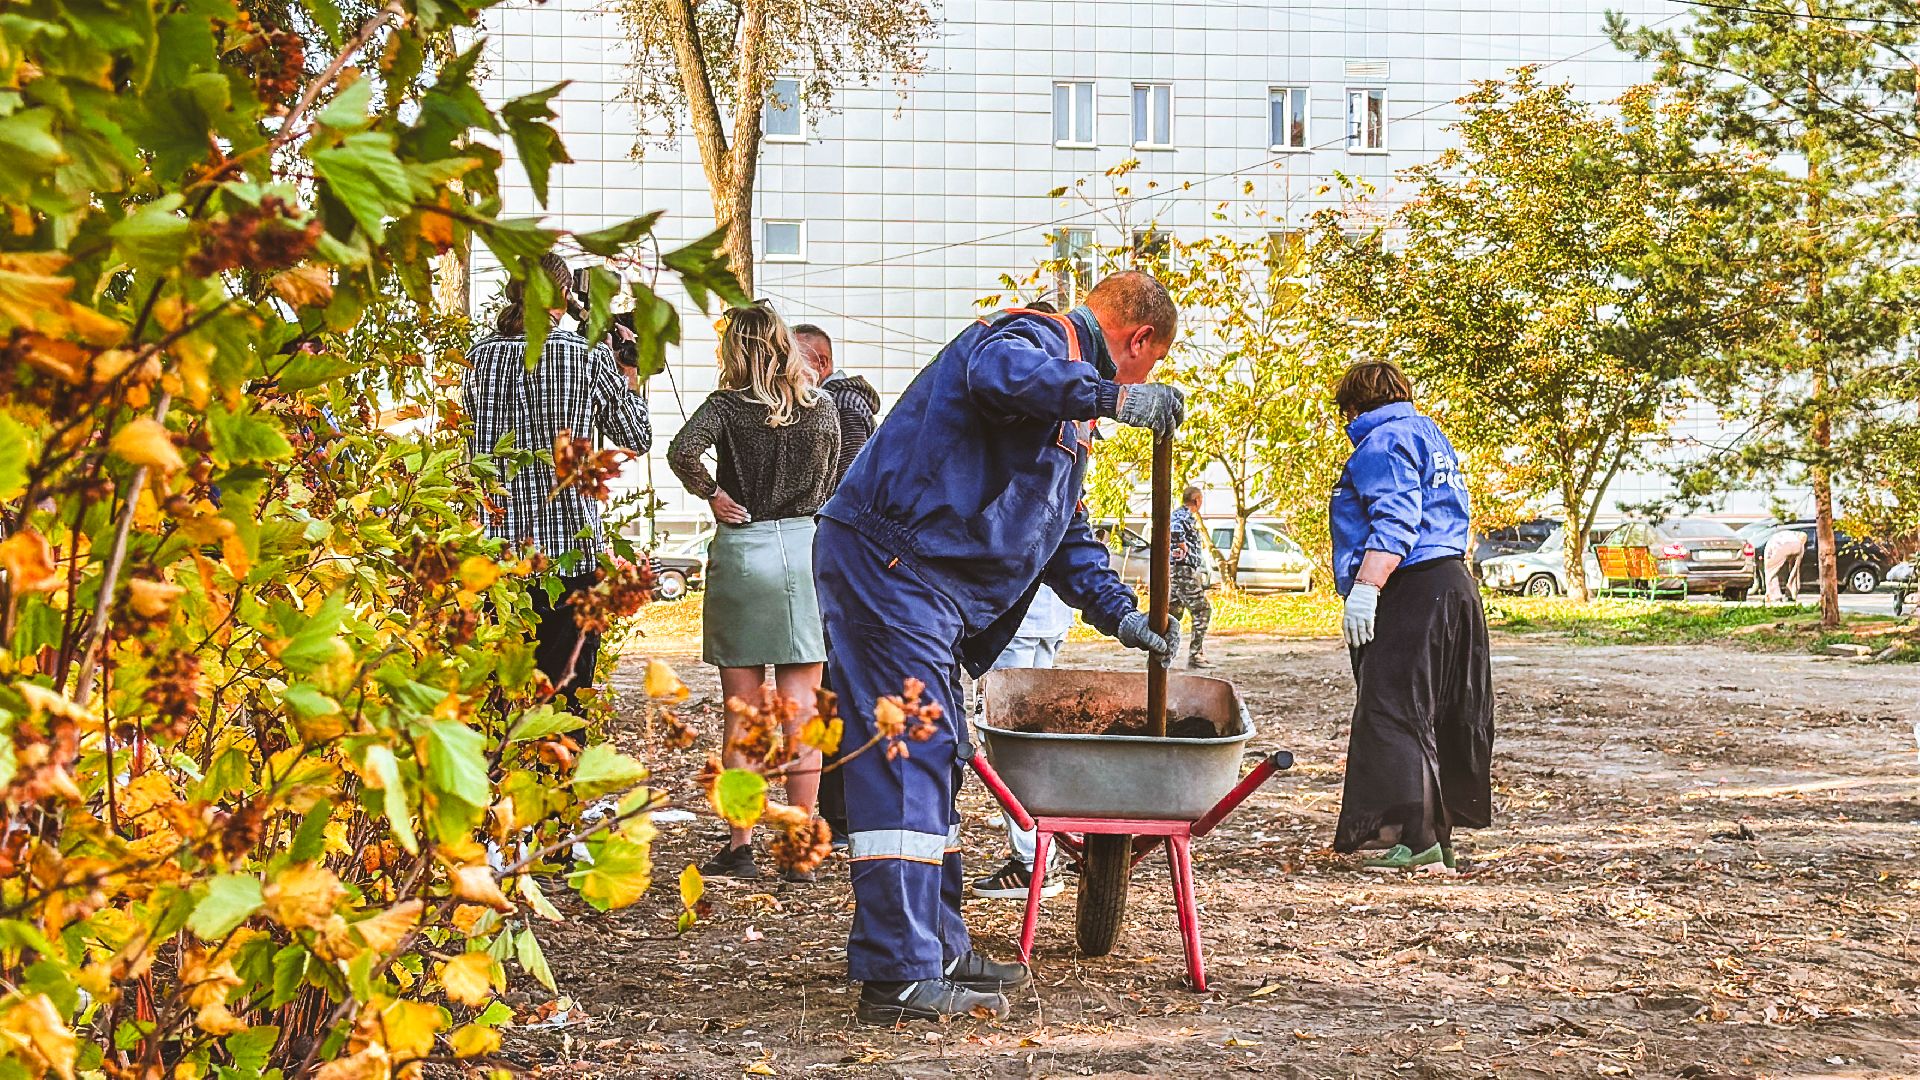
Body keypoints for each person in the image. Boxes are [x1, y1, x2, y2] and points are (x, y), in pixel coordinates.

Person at [814, 270, 1184, 1024]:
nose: (1141, 384)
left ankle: (937, 947)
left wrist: (1122, 616)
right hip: (892, 568)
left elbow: (1061, 533)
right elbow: (998, 372)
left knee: (936, 754)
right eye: (1148, 368)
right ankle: (899, 974)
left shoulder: (1063, 413)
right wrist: (1112, 396)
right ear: (1137, 339)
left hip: (925, 590)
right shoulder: (1031, 339)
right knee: (905, 757)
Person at [667, 302, 841, 883]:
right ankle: (799, 846)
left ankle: (740, 845)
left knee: (741, 714)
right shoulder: (823, 409)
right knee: (802, 716)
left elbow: (681, 450)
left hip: (744, 550)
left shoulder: (725, 407)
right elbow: (838, 476)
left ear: (734, 349)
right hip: (806, 551)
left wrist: (712, 493)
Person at [464, 254, 651, 711]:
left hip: (499, 553)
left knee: (500, 697)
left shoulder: (477, 359)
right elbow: (637, 437)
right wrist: (627, 373)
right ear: (564, 296)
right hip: (570, 548)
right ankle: (560, 780)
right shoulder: (585, 357)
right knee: (564, 700)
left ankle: (500, 780)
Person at [1329, 358, 1492, 873]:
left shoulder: (1381, 443)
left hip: (1413, 586)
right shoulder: (1430, 435)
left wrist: (1366, 588)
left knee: (1393, 709)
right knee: (1436, 711)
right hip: (1454, 585)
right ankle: (1438, 840)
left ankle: (1415, 841)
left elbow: (1397, 518)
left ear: (1354, 407)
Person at [794, 323, 880, 851]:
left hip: (842, 566)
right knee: (824, 685)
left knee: (837, 687)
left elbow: (844, 488)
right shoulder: (826, 405)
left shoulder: (844, 411)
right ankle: (834, 810)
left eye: (795, 360)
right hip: (826, 562)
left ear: (822, 364)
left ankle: (843, 813)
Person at [968, 583, 1073, 900]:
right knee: (1032, 737)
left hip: (1011, 615)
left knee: (1006, 743)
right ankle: (1040, 850)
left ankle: (1032, 859)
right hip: (1047, 612)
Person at [794, 324, 881, 487]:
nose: (786, 369)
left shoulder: (842, 403)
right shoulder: (835, 400)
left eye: (794, 360)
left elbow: (851, 482)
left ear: (821, 363)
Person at [1169, 485, 1215, 669]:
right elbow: (1175, 529)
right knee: (1202, 610)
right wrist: (1182, 546)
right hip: (1184, 571)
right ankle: (1196, 655)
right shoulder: (1184, 514)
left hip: (1180, 570)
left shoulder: (1181, 514)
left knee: (1172, 614)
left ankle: (1158, 654)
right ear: (1196, 500)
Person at [1764, 526, 1807, 604]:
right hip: (1798, 545)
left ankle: (1774, 595)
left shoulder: (1775, 537)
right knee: (1795, 570)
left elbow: (1769, 559)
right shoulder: (1797, 538)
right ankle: (1792, 593)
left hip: (1780, 544)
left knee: (1771, 570)